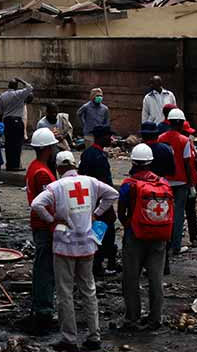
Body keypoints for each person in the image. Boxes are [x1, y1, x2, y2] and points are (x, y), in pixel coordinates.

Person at [31, 151, 119, 352]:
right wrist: (96, 214)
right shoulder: (91, 182)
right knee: (89, 291)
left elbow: (36, 204)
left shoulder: (56, 186)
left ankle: (69, 339)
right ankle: (94, 336)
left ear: (59, 168)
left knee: (65, 293)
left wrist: (51, 219)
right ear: (74, 165)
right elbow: (113, 194)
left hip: (64, 246)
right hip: (87, 245)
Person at [118, 144, 173, 332]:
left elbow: (121, 211)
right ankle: (155, 318)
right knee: (156, 279)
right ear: (150, 162)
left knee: (131, 279)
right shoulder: (163, 183)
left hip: (135, 236)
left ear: (133, 162)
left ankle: (132, 318)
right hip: (159, 237)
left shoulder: (128, 185)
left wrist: (128, 225)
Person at [25, 128, 59, 332]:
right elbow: (48, 203)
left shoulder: (34, 166)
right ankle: (44, 308)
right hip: (44, 225)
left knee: (42, 265)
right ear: (47, 149)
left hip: (38, 223)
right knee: (45, 267)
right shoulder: (43, 174)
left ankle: (40, 304)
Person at [79, 125, 119, 277]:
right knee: (105, 229)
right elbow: (104, 183)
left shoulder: (89, 153)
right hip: (100, 199)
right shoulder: (98, 156)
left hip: (92, 198)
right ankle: (102, 263)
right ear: (102, 137)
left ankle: (99, 261)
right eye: (109, 136)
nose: (111, 139)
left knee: (98, 229)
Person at [158, 109, 193, 258]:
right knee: (178, 214)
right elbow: (187, 164)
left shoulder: (160, 138)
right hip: (180, 181)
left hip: (164, 181)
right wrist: (191, 184)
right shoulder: (184, 141)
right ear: (181, 123)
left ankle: (164, 244)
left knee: (164, 213)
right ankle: (176, 246)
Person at [0, 77, 33, 171]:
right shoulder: (19, 94)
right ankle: (16, 165)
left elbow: (0, 112)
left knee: (8, 144)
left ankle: (9, 164)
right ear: (16, 86)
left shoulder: (2, 96)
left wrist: (1, 123)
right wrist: (21, 80)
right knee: (17, 144)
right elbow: (30, 87)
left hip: (7, 121)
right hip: (17, 121)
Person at [181, 121, 197, 247]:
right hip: (186, 181)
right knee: (186, 210)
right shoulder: (183, 143)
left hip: (191, 180)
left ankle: (194, 237)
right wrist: (190, 183)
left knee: (191, 211)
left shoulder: (189, 144)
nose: (189, 135)